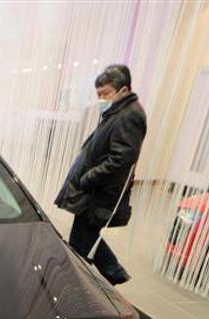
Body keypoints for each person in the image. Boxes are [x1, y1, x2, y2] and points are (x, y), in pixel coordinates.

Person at [55, 64, 147, 285]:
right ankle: (112, 273)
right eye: (98, 94)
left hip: (100, 191)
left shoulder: (130, 115)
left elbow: (121, 158)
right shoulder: (117, 111)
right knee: (85, 236)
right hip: (95, 190)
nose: (101, 99)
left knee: (81, 240)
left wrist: (89, 177)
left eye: (105, 93)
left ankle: (82, 280)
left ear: (123, 90)